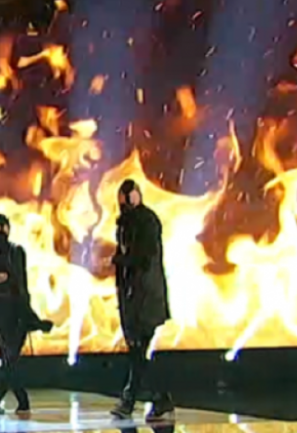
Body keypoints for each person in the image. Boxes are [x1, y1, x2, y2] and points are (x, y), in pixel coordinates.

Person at [0, 214, 53, 415]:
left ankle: (2, 399)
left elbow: (18, 280)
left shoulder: (17, 251)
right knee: (8, 357)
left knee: (11, 358)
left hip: (18, 311)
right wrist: (4, 279)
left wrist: (28, 312)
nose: (0, 231)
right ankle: (15, 399)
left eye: (3, 227)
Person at [110, 179, 175, 421]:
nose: (126, 201)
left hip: (146, 296)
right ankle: (156, 399)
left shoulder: (147, 221)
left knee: (139, 351)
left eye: (130, 195)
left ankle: (133, 400)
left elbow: (144, 258)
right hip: (132, 297)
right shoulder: (124, 224)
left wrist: (120, 261)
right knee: (137, 352)